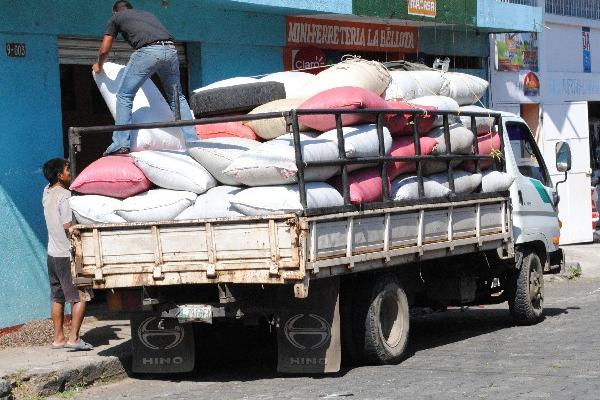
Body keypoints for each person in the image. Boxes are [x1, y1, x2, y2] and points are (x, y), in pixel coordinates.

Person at [92, 0, 197, 156]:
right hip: (170, 49)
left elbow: (104, 48)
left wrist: (99, 65)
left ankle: (121, 143)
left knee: (124, 95)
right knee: (177, 97)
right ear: (131, 9)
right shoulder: (147, 14)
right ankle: (193, 142)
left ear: (115, 12)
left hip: (148, 51)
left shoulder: (116, 17)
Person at [42, 158, 93, 351]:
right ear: (59, 175)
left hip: (52, 254)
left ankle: (58, 338)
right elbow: (67, 226)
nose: (70, 172)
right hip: (66, 255)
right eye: (67, 169)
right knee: (79, 296)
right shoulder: (65, 195)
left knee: (57, 297)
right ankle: (74, 338)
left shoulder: (46, 192)